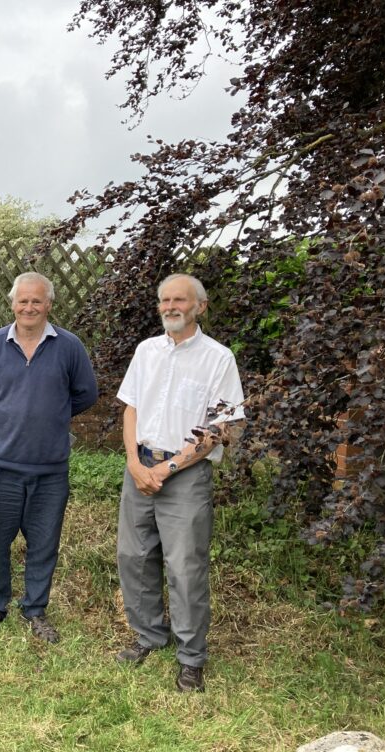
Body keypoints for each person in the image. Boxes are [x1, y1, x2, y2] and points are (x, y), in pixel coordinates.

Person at [114, 273, 244, 693]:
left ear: (199, 307)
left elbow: (219, 428)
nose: (170, 306)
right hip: (140, 466)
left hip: (184, 475)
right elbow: (130, 408)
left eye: (179, 300)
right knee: (133, 557)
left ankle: (191, 658)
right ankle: (149, 635)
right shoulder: (146, 350)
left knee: (185, 567)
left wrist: (167, 469)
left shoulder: (218, 358)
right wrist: (135, 462)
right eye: (164, 300)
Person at [0, 272, 98, 643]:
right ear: (12, 304)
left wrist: (51, 414)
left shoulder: (69, 347)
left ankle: (35, 610)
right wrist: (9, 415)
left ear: (49, 304)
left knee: (43, 545)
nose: (29, 307)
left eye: (36, 301)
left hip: (49, 471)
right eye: (22, 301)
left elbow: (86, 394)